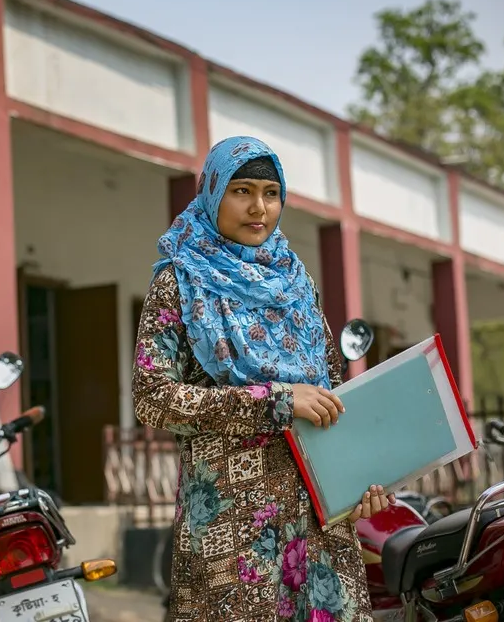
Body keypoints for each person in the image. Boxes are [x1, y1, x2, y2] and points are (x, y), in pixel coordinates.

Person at [132, 136, 394, 621]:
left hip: (320, 528)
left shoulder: (295, 283)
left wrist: (356, 483)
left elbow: (329, 395)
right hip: (233, 535)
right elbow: (153, 399)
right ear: (213, 193)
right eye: (242, 191)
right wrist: (273, 400)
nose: (259, 208)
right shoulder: (180, 280)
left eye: (271, 193)